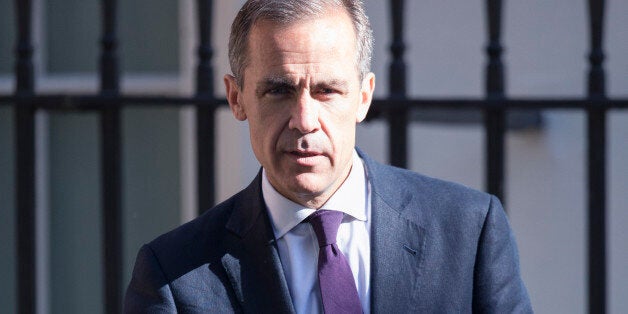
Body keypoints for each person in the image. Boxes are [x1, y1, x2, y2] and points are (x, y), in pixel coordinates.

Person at [124, 0, 532, 313]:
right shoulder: (175, 275)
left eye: (326, 91)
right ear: (237, 97)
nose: (304, 120)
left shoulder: (468, 233)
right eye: (279, 90)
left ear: (364, 97)